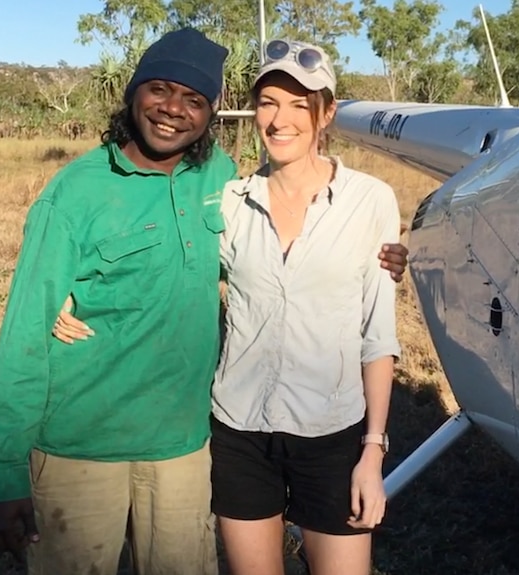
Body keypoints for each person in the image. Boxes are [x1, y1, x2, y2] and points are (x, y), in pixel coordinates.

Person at [0, 28, 409, 575]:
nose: (172, 110)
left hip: (186, 450)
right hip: (84, 448)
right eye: (159, 89)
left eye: (194, 100)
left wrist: (401, 255)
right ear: (133, 93)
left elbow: (334, 299)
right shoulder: (97, 191)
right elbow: (24, 332)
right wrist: (4, 471)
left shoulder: (221, 182)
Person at [209, 39, 400, 575]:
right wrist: (82, 288)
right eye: (268, 102)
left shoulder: (371, 201)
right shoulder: (230, 202)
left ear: (327, 112)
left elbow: (378, 333)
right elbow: (174, 272)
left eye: (299, 104)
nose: (280, 119)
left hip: (333, 434)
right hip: (240, 429)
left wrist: (372, 451)